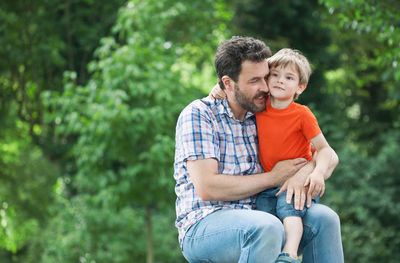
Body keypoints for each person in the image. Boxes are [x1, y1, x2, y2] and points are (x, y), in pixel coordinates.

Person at [174, 36, 344, 263]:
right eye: (255, 80)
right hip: (204, 224)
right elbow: (208, 187)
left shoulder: (263, 113)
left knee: (325, 219)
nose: (265, 87)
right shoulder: (199, 115)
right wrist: (273, 177)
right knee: (267, 227)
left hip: (261, 211)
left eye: (266, 77)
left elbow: (328, 154)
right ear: (227, 83)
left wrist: (303, 173)